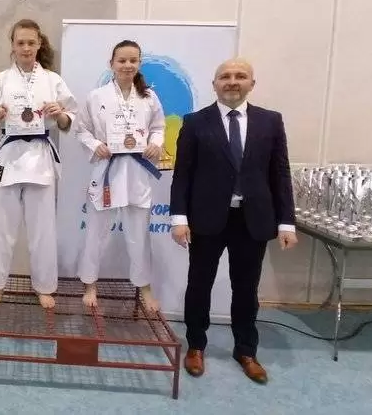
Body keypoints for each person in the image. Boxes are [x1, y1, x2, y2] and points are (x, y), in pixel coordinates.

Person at [170, 58, 298, 384]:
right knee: (200, 284)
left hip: (252, 220)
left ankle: (246, 350)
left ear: (252, 84)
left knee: (246, 288)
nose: (232, 81)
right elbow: (183, 175)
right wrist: (179, 218)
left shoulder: (270, 121)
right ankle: (195, 346)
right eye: (225, 76)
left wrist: (286, 222)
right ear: (214, 84)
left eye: (240, 76)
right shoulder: (195, 122)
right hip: (206, 219)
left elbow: (280, 173)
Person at [0, 19, 78, 309]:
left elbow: (70, 118)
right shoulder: (0, 80)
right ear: (13, 45)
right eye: (20, 42)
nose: (26, 48)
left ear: (39, 44)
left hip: (40, 156)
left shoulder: (53, 80)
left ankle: (44, 286)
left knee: (43, 229)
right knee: (0, 227)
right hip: (8, 156)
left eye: (31, 42)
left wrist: (60, 114)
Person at [75, 40, 165, 311]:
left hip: (137, 172)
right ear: (111, 64)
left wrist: (155, 143)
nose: (127, 65)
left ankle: (144, 286)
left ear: (139, 64)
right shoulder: (96, 96)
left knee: (139, 235)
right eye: (122, 60)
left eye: (133, 60)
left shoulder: (149, 97)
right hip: (107, 170)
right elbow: (81, 129)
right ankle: (90, 283)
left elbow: (158, 127)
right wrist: (95, 145)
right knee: (96, 233)